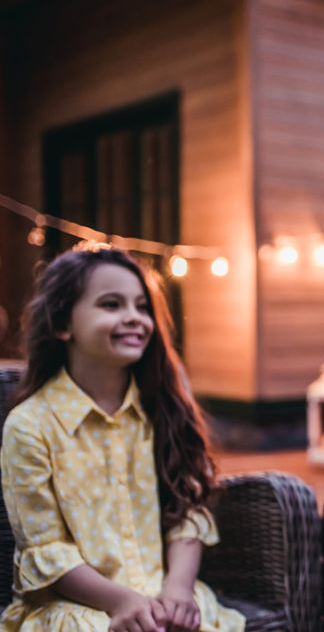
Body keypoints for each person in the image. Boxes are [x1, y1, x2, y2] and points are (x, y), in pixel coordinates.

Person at [0, 246, 244, 632]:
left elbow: (187, 511)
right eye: (111, 305)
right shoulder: (30, 426)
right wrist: (123, 601)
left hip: (162, 594)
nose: (134, 318)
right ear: (63, 324)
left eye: (142, 306)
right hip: (78, 607)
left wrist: (178, 589)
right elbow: (46, 549)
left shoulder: (161, 410)